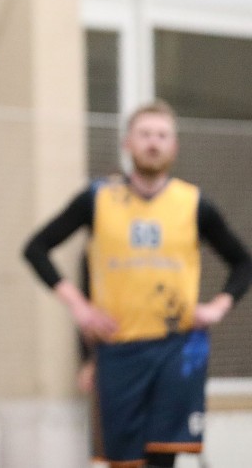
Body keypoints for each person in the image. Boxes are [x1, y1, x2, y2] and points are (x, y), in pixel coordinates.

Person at [23, 100, 252, 468]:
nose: (153, 143)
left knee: (163, 457)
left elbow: (243, 262)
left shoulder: (194, 204)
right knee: (124, 461)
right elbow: (36, 249)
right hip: (118, 350)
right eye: (145, 134)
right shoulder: (98, 199)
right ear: (127, 143)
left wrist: (218, 307)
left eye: (162, 135)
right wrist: (80, 308)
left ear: (174, 146)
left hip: (175, 348)